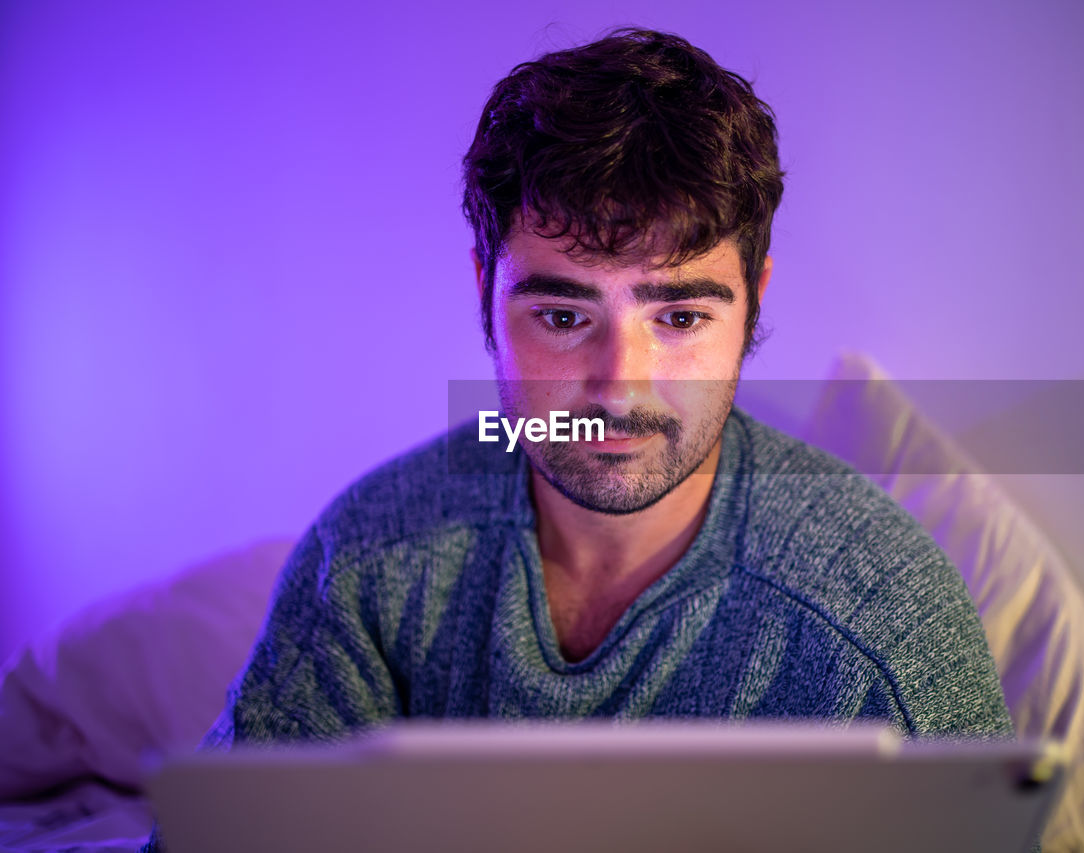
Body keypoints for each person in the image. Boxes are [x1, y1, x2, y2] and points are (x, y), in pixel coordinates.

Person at [142, 26, 1013, 851]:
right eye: (563, 315)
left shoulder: (881, 622)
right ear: (486, 290)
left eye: (679, 315)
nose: (616, 386)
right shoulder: (371, 556)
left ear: (754, 304)